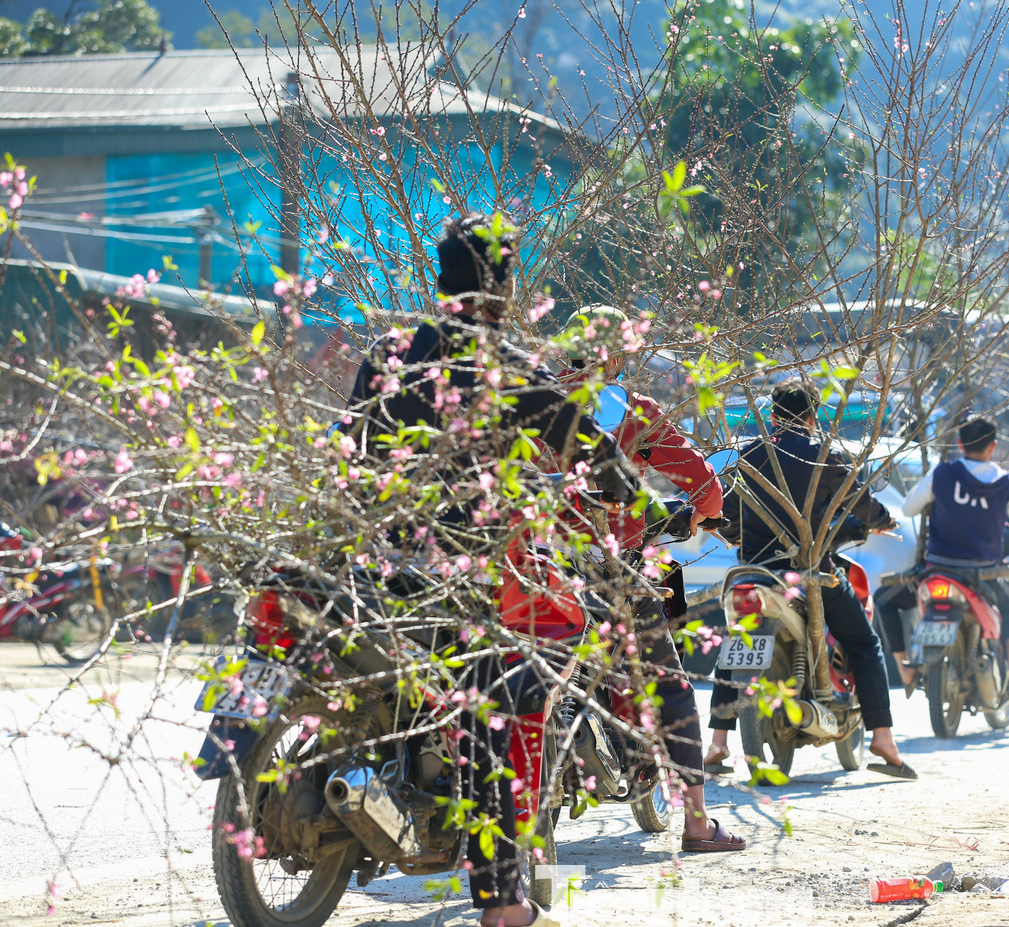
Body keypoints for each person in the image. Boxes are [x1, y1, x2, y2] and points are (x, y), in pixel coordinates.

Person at [347, 214, 637, 927]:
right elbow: (601, 461)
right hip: (453, 579)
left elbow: (351, 445)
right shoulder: (508, 367)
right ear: (505, 288)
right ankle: (503, 904)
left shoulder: (389, 353)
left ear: (438, 280)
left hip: (370, 565)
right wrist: (625, 490)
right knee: (492, 722)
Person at [556, 305, 745, 852]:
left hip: (534, 567)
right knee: (671, 687)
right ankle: (696, 825)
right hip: (610, 569)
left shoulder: (526, 401)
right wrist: (706, 510)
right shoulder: (633, 413)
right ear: (614, 356)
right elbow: (705, 490)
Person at [703, 379, 916, 780]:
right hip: (809, 572)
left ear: (771, 416)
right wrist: (882, 521)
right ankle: (883, 738)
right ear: (812, 416)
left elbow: (724, 513)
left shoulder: (747, 456)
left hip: (755, 573)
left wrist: (732, 533)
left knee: (735, 644)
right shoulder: (825, 455)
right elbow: (860, 502)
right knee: (864, 641)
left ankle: (717, 743)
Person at [898, 416, 1009, 698]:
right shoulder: (1005, 483)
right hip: (983, 574)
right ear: (993, 446)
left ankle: (909, 665)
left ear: (960, 443)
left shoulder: (942, 474)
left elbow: (908, 509)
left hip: (938, 569)